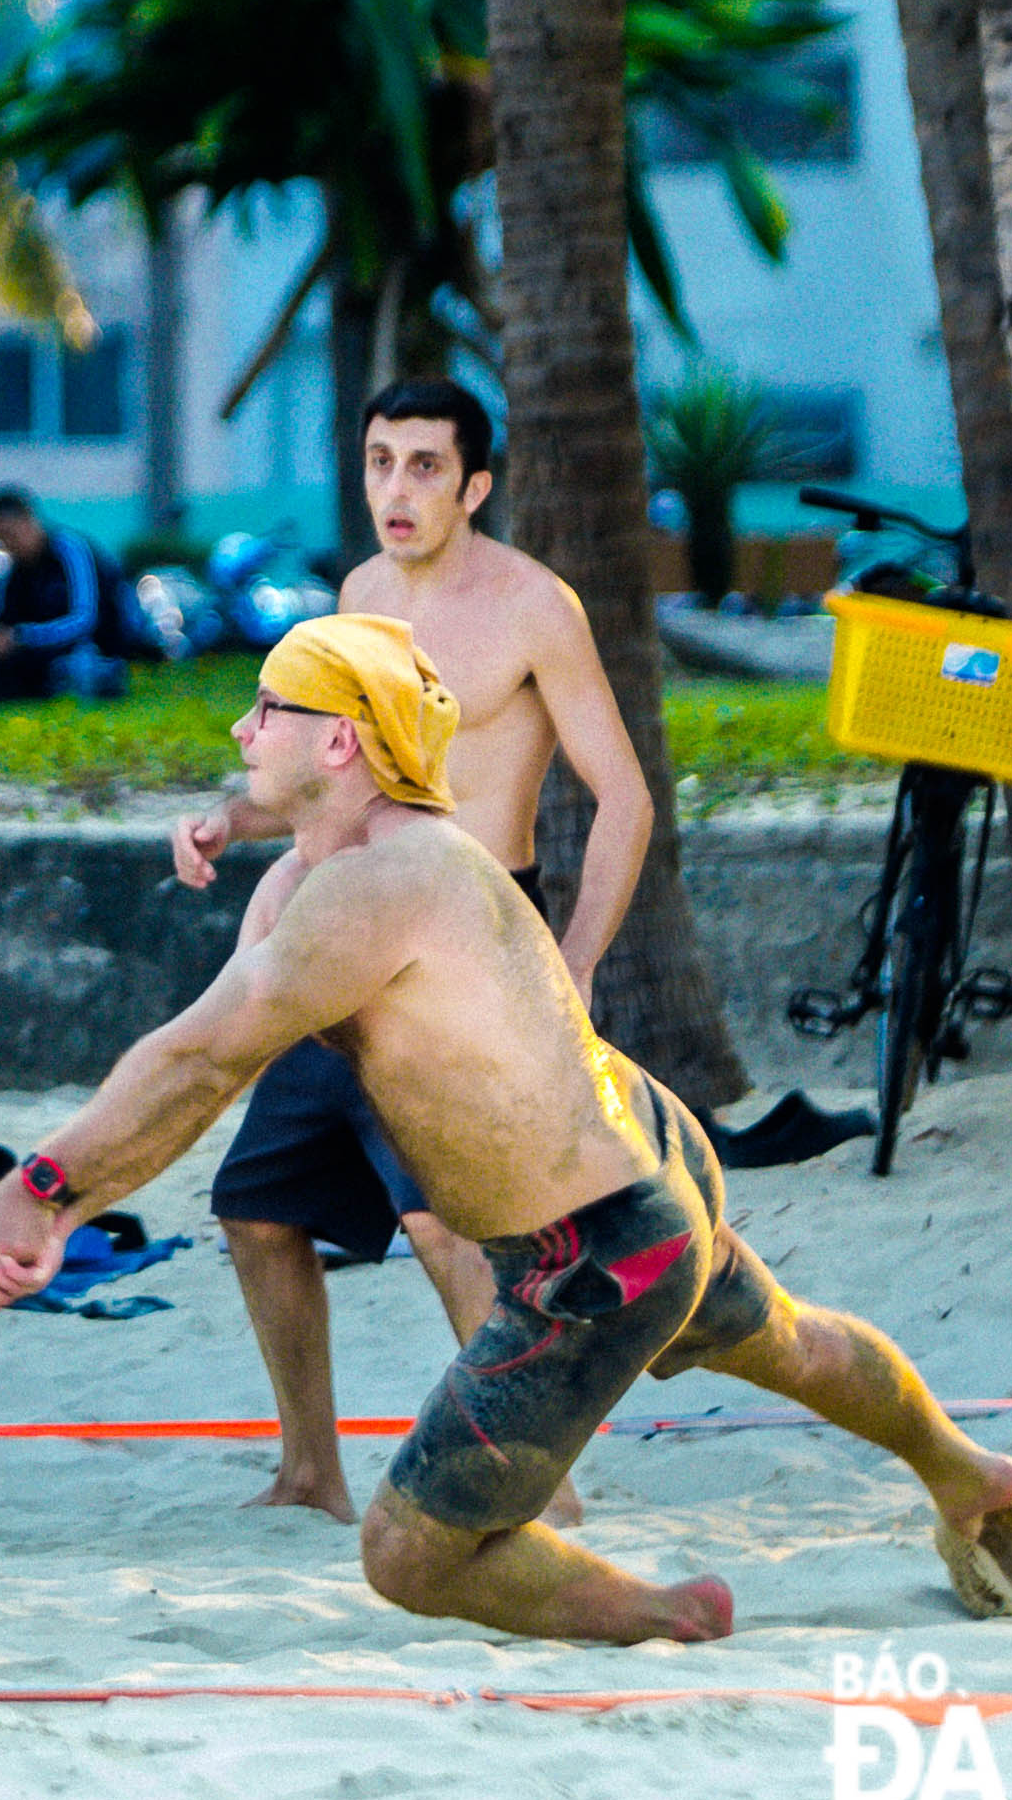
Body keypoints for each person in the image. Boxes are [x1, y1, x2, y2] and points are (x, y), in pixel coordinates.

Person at [0, 616, 1012, 1642]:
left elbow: (196, 1060)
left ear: (338, 744)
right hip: (648, 1156)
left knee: (407, 1555)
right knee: (787, 1340)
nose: (239, 721)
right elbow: (212, 1039)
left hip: (591, 1256)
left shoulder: (373, 889)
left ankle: (666, 1615)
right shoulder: (400, 854)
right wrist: (229, 821)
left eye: (269, 704)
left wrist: (46, 1187)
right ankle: (968, 1472)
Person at [160, 381, 663, 1523]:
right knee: (255, 1209)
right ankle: (308, 1470)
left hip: (469, 941)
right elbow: (332, 773)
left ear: (474, 485)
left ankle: (544, 1483)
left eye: (424, 465)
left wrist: (576, 962)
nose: (395, 487)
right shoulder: (359, 597)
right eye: (380, 459)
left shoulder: (537, 608)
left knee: (447, 1220)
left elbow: (624, 800)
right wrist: (226, 820)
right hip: (345, 926)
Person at [0, 489, 152, 704]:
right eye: (1, 539)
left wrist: (22, 637)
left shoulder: (69, 550)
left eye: (10, 535)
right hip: (34, 656)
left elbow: (85, 619)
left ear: (29, 521)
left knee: (75, 671)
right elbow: (0, 620)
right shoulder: (14, 569)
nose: (8, 545)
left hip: (89, 652)